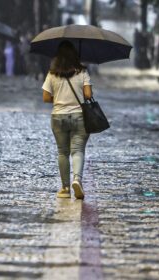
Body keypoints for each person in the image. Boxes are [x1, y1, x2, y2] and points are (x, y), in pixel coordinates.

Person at [42, 41, 92, 199]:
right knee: (77, 150)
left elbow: (45, 97)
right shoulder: (82, 71)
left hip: (58, 116)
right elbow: (88, 95)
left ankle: (64, 188)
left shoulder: (52, 73)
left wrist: (58, 99)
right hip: (79, 116)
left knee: (62, 152)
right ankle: (77, 179)